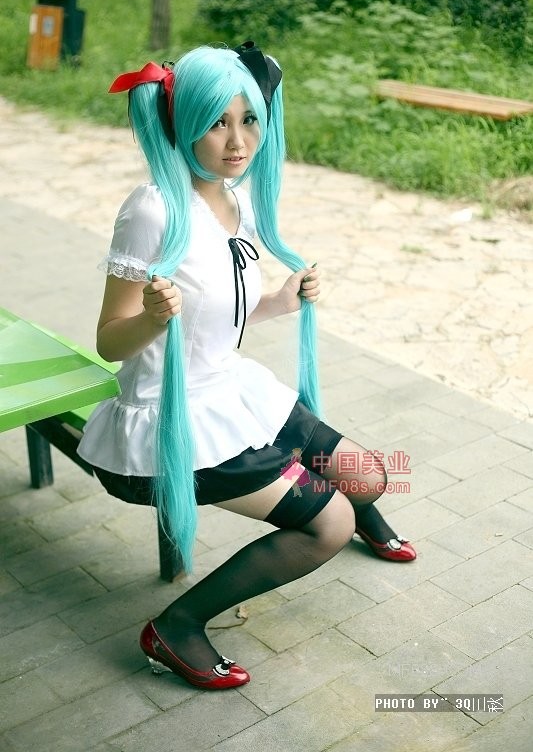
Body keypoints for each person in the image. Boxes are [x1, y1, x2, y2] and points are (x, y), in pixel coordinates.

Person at [78, 41, 416, 692]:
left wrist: (280, 302)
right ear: (181, 124)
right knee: (328, 524)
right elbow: (110, 342)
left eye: (249, 119)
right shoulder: (152, 209)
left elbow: (217, 321)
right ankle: (174, 628)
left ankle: (357, 504)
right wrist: (153, 317)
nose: (238, 142)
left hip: (230, 388)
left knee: (369, 476)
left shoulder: (235, 198)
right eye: (217, 123)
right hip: (172, 418)